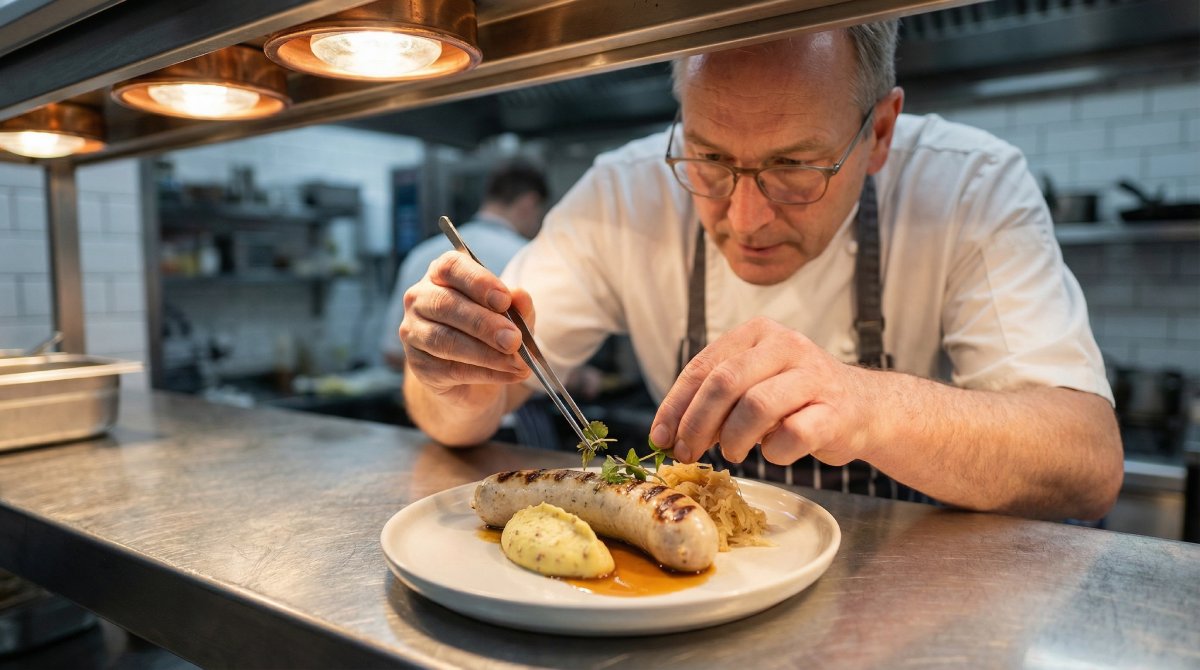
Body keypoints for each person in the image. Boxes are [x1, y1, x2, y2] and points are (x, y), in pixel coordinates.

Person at [396, 21, 1124, 521]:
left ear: (878, 133)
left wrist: (872, 406)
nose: (745, 218)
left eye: (795, 166)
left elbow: (1085, 463)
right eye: (710, 159)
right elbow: (465, 410)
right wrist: (449, 366)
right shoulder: (622, 194)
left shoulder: (969, 186)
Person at [380, 160, 548, 371]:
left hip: (425, 399)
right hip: (513, 400)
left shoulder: (420, 254)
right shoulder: (530, 257)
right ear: (529, 203)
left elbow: (393, 353)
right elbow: (548, 358)